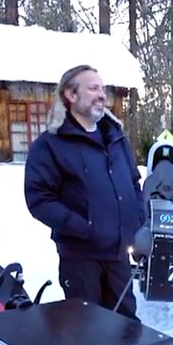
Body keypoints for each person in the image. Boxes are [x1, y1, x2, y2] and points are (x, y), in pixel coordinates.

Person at [23, 64, 146, 320]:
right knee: (86, 330)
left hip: (119, 255)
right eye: (93, 88)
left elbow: (134, 182)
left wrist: (137, 218)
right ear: (70, 95)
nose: (102, 94)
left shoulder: (116, 138)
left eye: (102, 88)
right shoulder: (50, 144)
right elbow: (39, 198)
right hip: (80, 258)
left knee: (126, 325)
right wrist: (85, 227)